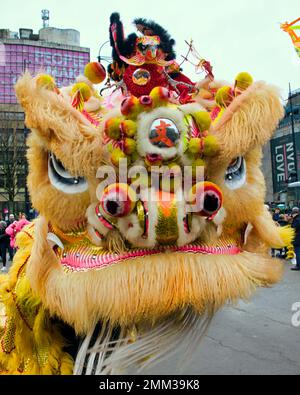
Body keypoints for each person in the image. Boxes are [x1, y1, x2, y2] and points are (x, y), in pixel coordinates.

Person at [291, 207, 300, 271]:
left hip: (298, 238)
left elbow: (294, 229)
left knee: (298, 252)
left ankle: (298, 266)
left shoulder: (296, 219)